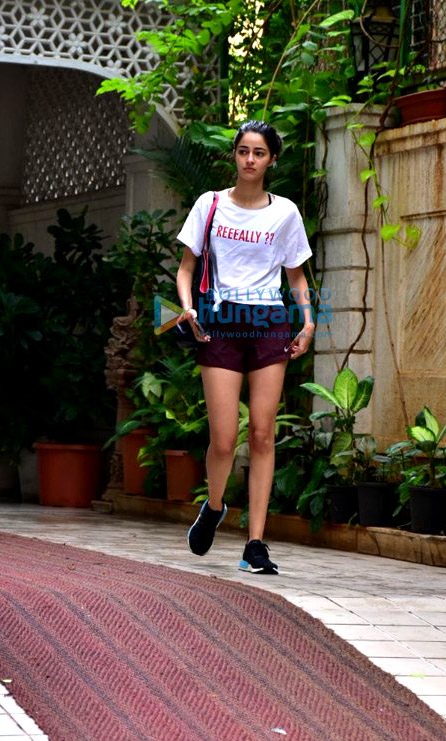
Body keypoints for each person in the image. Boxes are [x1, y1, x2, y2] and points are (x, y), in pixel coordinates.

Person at [175, 120, 314, 574]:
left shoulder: (286, 213)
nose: (249, 159)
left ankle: (255, 543)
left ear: (272, 159)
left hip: (270, 322)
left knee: (261, 433)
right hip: (220, 322)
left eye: (259, 152)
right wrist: (187, 307)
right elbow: (186, 268)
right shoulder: (210, 205)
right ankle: (214, 506)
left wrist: (308, 322)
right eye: (243, 151)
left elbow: (296, 275)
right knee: (223, 438)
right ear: (234, 156)